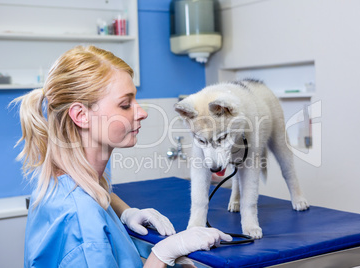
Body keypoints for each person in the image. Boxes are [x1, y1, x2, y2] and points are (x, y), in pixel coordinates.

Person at [12, 45, 232, 268]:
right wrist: (163, 254)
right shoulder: (81, 221)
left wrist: (126, 212)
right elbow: (88, 224)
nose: (142, 112)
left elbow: (96, 195)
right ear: (81, 115)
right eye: (125, 104)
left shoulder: (64, 182)